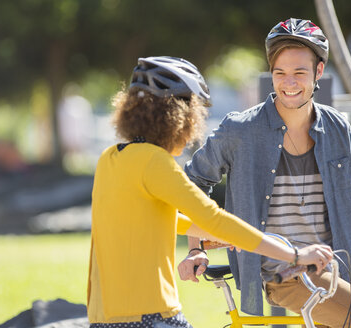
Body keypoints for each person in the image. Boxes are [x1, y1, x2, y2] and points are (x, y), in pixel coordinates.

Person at [178, 18, 351, 327]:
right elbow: (193, 182)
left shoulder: (338, 129)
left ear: (318, 72)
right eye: (280, 73)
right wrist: (197, 249)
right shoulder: (241, 130)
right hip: (283, 273)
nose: (289, 83)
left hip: (337, 272)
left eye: (299, 73)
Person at [87, 56, 333, 328]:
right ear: (181, 115)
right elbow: (212, 216)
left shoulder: (110, 159)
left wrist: (223, 237)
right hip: (150, 315)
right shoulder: (154, 161)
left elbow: (161, 219)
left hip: (104, 316)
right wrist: (296, 256)